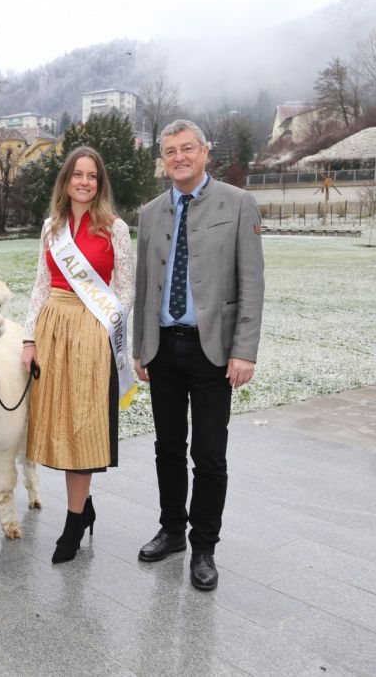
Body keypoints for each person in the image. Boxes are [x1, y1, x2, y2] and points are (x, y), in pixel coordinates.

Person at [132, 119, 264, 591]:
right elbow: (144, 287)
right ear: (162, 159)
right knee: (167, 447)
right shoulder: (149, 213)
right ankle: (172, 531)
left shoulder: (238, 202)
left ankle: (204, 544)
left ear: (205, 152)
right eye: (171, 151)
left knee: (209, 455)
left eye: (188, 149)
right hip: (163, 348)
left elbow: (251, 283)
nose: (180, 157)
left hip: (213, 352)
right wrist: (140, 347)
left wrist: (244, 350)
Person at [22, 146, 136, 564]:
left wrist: (107, 330)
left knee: (84, 427)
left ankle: (72, 523)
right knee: (57, 423)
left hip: (93, 331)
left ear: (99, 183)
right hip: (53, 327)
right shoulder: (52, 228)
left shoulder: (115, 229)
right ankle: (82, 508)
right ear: (66, 181)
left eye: (92, 175)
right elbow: (38, 285)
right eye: (77, 175)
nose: (84, 182)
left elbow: (125, 289)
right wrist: (29, 340)